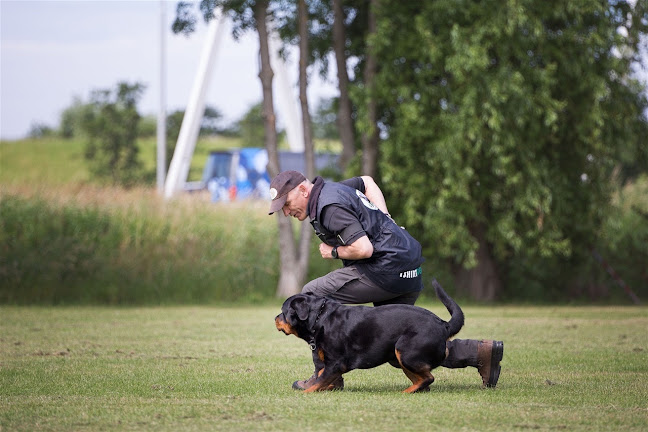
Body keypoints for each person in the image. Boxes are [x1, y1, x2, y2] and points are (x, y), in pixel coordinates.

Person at [268, 170, 503, 391]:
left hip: (384, 270)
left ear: (303, 190)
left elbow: (363, 249)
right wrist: (386, 220)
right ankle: (480, 352)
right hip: (408, 268)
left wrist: (333, 251)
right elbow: (367, 181)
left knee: (311, 294)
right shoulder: (334, 189)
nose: (286, 212)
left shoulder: (329, 206)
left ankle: (326, 377)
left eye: (286, 205)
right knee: (397, 341)